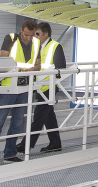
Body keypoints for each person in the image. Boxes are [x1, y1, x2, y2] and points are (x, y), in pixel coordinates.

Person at [0, 19, 40, 162]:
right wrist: (17, 69)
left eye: (31, 35)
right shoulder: (11, 39)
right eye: (26, 35)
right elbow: (3, 59)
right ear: (21, 30)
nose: (28, 38)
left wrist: (31, 70)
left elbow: (38, 64)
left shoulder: (36, 43)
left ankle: (10, 153)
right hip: (8, 87)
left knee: (17, 122)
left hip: (24, 87)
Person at [23, 22, 65, 153]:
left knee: (39, 116)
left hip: (49, 87)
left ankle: (26, 145)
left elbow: (60, 68)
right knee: (48, 116)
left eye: (37, 34)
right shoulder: (37, 47)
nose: (35, 36)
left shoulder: (55, 46)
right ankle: (55, 143)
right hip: (40, 86)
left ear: (46, 34)